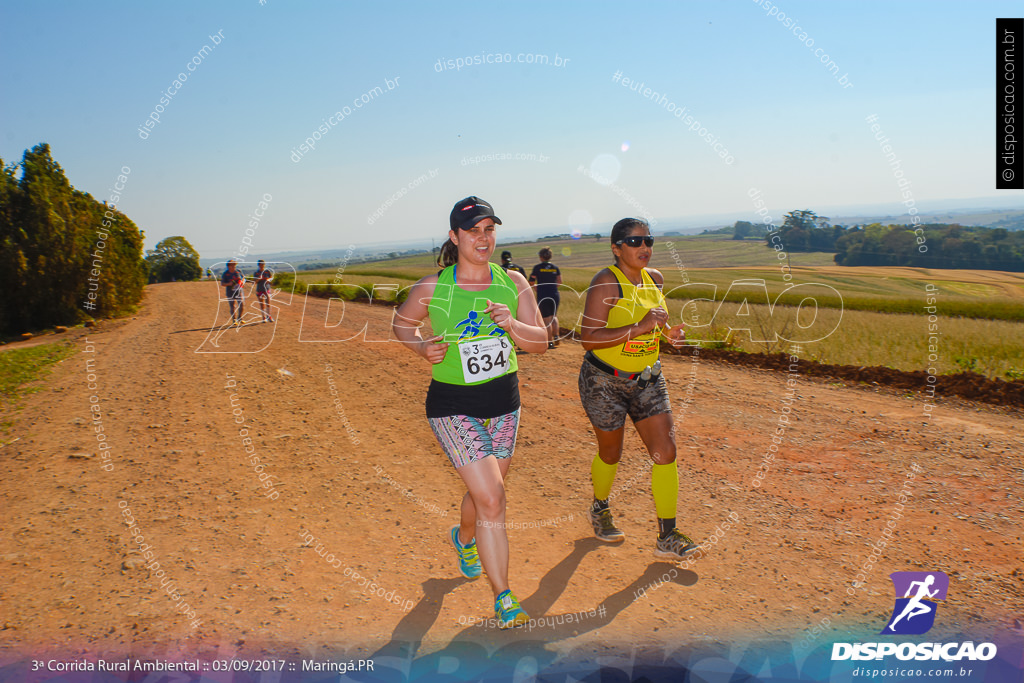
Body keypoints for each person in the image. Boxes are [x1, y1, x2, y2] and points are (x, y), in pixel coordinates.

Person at [392, 196, 548, 629]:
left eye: (489, 229)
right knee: (494, 499)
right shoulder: (433, 288)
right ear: (454, 237)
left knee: (485, 495)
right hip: (452, 406)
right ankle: (504, 597)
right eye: (473, 230)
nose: (483, 238)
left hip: (504, 405)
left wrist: (512, 325)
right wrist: (421, 346)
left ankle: (464, 539)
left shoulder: (513, 281)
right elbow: (401, 323)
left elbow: (539, 343)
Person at [578, 218, 698, 559]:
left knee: (666, 452)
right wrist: (639, 327)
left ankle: (667, 535)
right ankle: (600, 507)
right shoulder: (606, 282)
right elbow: (588, 338)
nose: (644, 247)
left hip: (647, 379)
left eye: (648, 240)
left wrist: (666, 336)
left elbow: (654, 327)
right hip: (603, 382)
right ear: (617, 248)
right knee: (611, 454)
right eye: (634, 242)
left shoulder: (655, 279)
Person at [528, 248, 562, 349]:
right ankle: (556, 336)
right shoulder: (555, 268)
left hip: (543, 295)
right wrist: (552, 288)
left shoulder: (537, 268)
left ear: (541, 257)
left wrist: (536, 288)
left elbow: (531, 281)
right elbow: (559, 282)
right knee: (554, 316)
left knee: (546, 319)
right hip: (554, 294)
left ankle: (550, 342)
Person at [220, 260, 245, 325]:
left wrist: (242, 282)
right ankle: (234, 319)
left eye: (234, 265)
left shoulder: (238, 271)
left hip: (238, 291)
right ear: (228, 266)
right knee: (232, 306)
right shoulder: (225, 274)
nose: (234, 266)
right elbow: (222, 283)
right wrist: (229, 283)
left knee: (241, 304)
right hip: (230, 292)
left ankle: (240, 317)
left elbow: (243, 278)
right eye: (232, 265)